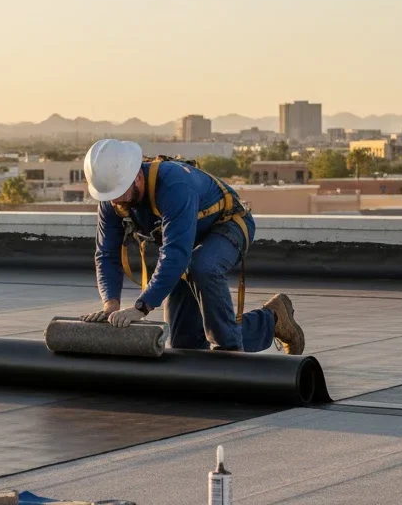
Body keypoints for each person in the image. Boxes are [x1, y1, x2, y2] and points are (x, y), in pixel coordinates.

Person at [82, 138, 305, 353]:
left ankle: (228, 353)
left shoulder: (174, 185)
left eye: (120, 195)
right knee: (186, 344)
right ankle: (272, 320)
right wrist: (110, 303)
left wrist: (142, 307)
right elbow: (106, 253)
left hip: (228, 226)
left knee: (202, 266)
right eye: (109, 197)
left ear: (137, 177)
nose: (115, 202)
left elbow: (175, 254)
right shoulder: (112, 197)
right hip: (189, 242)